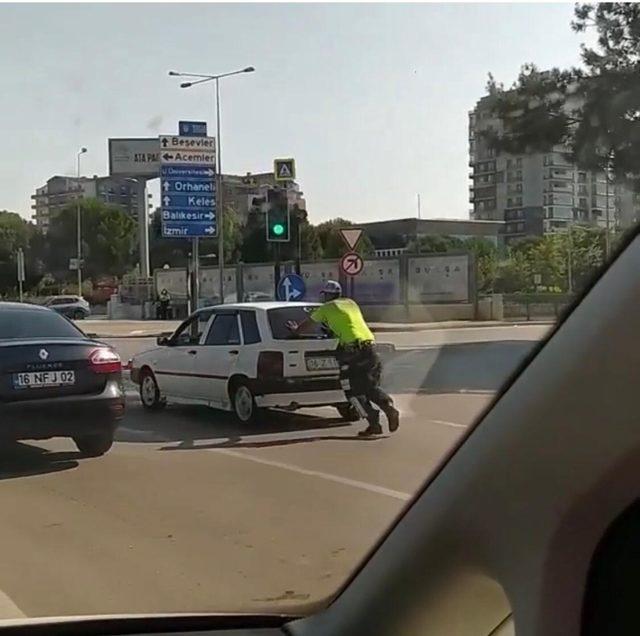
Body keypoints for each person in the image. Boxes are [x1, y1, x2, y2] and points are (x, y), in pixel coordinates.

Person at [287, 280, 400, 436]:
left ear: (327, 295)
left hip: (352, 352)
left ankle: (373, 421)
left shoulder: (327, 308)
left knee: (351, 390)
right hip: (370, 348)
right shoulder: (351, 303)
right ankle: (388, 408)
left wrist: (295, 330)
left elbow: (306, 326)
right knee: (368, 385)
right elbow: (348, 324)